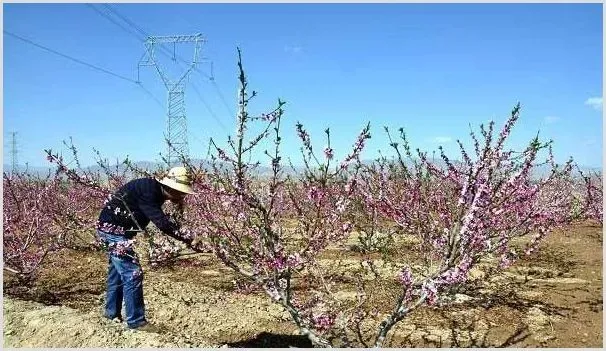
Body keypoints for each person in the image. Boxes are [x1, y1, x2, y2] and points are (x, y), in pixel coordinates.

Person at [96, 166, 195, 331]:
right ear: (171, 187)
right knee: (132, 273)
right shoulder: (149, 192)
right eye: (181, 192)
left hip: (112, 228)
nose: (182, 195)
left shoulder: (155, 189)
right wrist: (188, 239)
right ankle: (136, 322)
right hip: (115, 231)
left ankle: (111, 313)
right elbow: (162, 223)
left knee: (117, 273)